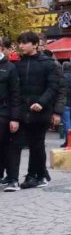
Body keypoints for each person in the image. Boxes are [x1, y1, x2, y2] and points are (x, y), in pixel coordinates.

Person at [7, 31, 62, 189]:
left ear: (35, 45)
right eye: (20, 43)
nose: (21, 46)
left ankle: (34, 175)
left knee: (36, 144)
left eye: (24, 43)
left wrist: (42, 103)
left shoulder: (48, 64)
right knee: (17, 143)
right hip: (22, 111)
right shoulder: (18, 64)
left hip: (41, 112)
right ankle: (15, 178)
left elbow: (53, 87)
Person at [0, 48, 21, 192]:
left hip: (4, 113)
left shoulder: (10, 67)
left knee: (7, 148)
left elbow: (15, 94)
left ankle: (13, 179)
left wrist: (14, 118)